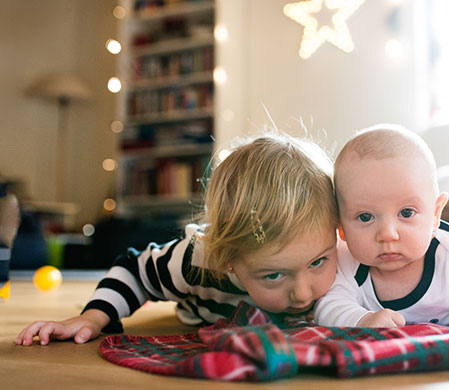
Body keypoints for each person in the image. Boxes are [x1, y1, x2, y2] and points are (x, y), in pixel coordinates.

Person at [16, 132, 340, 346]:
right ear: (226, 259)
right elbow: (133, 271)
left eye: (318, 262)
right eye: (273, 275)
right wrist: (91, 318)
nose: (303, 293)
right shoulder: (196, 261)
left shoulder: (344, 256)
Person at [314, 124, 449, 329]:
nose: (387, 234)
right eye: (365, 217)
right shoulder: (347, 265)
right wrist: (362, 319)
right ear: (341, 228)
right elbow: (328, 306)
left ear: (435, 214)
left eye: (406, 213)